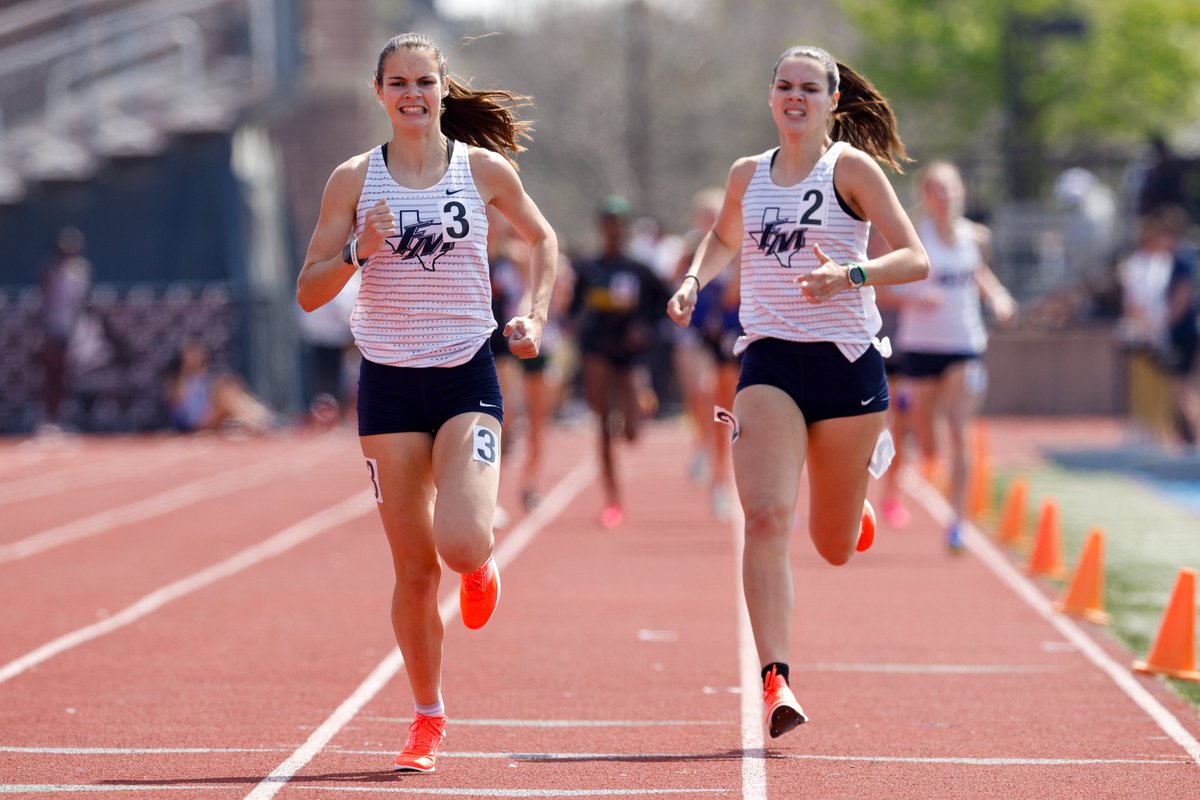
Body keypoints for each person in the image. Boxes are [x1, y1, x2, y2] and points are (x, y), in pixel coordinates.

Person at [295, 33, 558, 774]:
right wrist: (357, 253)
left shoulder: (481, 171)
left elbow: (543, 241)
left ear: (444, 90)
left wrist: (534, 315)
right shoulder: (353, 180)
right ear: (378, 93)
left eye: (425, 81)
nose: (413, 93)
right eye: (399, 82)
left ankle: (481, 565)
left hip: (464, 374)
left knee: (462, 543)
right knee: (414, 572)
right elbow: (308, 288)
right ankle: (427, 717)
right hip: (386, 383)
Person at [666, 45, 929, 740]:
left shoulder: (851, 170)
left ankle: (857, 495)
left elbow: (915, 258)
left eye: (809, 88)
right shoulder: (747, 175)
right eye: (783, 85)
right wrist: (696, 277)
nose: (794, 97)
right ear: (770, 95)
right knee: (766, 516)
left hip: (847, 365)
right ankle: (775, 677)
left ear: (831, 102)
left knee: (834, 544)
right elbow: (722, 239)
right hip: (770, 360)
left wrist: (853, 274)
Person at [885, 161, 1017, 553]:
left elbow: (980, 276)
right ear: (925, 197)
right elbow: (881, 288)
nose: (944, 197)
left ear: (960, 192)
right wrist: (915, 297)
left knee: (960, 430)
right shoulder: (914, 238)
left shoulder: (975, 238)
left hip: (965, 344)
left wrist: (999, 297)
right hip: (922, 348)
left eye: (950, 189)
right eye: (935, 190)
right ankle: (922, 459)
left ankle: (958, 523)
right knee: (927, 440)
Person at [569, 194, 670, 528]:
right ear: (602, 227)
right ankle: (612, 499)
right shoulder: (589, 267)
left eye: (618, 222)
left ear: (624, 227)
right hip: (598, 347)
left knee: (630, 432)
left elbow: (663, 303)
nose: (612, 228)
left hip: (628, 353)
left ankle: (634, 411)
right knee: (602, 427)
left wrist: (644, 328)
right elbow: (573, 308)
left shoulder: (639, 269)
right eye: (607, 221)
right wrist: (575, 322)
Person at [671, 187, 743, 520]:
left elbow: (733, 295)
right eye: (705, 217)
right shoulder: (691, 251)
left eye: (716, 216)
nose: (711, 222)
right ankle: (701, 443)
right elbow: (674, 286)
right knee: (701, 390)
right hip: (698, 334)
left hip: (728, 333)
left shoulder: (740, 250)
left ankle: (719, 478)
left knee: (723, 409)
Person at [37, 226, 93, 432]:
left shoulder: (81, 271)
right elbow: (44, 299)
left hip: (75, 330)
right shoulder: (50, 271)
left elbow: (83, 301)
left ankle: (67, 418)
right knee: (53, 374)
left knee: (73, 377)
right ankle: (49, 418)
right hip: (53, 328)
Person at [164, 339, 275, 435]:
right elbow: (177, 402)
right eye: (191, 357)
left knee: (230, 386)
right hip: (193, 422)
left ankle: (258, 419)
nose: (195, 360)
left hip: (208, 414)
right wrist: (185, 371)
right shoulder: (176, 380)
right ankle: (263, 420)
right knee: (224, 393)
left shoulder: (202, 378)